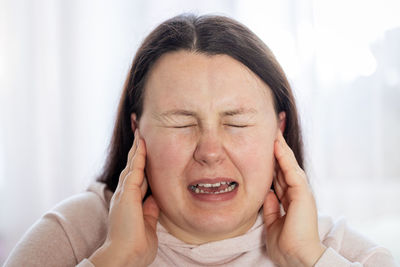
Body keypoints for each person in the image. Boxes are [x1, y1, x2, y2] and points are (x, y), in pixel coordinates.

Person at [4, 14, 397, 267]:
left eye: (237, 123)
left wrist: (306, 257)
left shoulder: (331, 250)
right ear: (138, 132)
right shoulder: (75, 232)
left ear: (279, 131)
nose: (210, 151)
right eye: (181, 122)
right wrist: (114, 261)